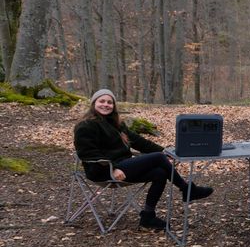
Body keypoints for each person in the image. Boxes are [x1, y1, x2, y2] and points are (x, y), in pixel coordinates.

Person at [73, 89, 213, 230]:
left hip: (123, 166)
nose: (106, 105)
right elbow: (87, 153)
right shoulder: (86, 125)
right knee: (159, 158)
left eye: (110, 102)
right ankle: (187, 189)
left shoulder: (116, 123)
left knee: (160, 173)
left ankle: (148, 217)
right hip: (102, 170)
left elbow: (138, 141)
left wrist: (164, 151)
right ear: (94, 103)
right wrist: (113, 168)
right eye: (102, 101)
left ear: (114, 106)